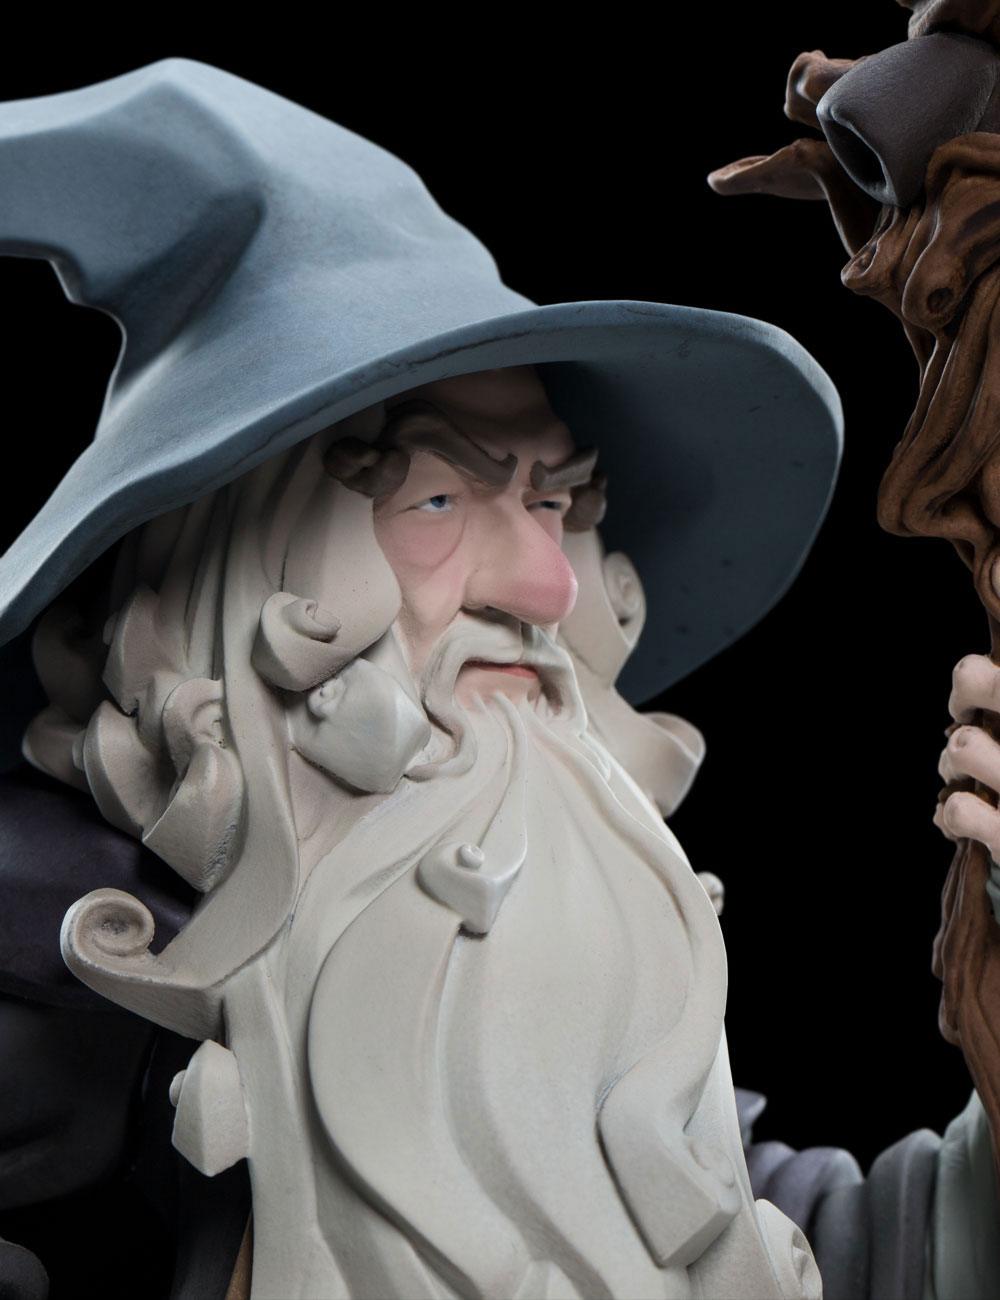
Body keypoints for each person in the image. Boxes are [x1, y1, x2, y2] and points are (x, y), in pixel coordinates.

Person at [0, 55, 989, 1300]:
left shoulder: (570, 1001)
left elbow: (840, 1255)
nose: (547, 589)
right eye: (436, 499)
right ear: (243, 574)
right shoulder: (50, 990)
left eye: (557, 502)